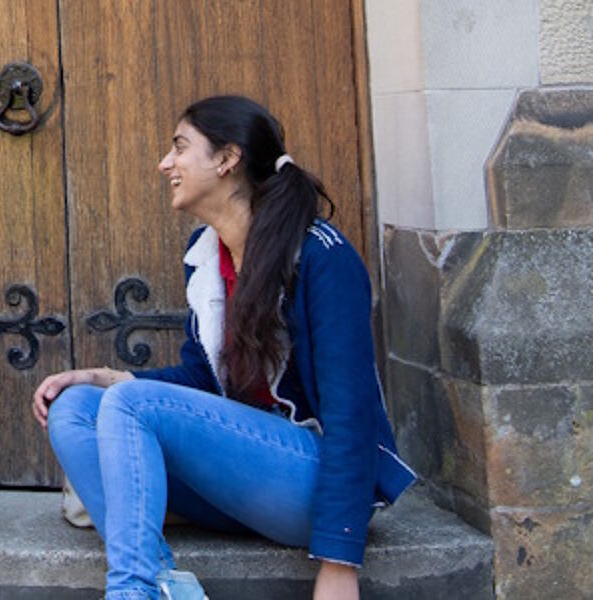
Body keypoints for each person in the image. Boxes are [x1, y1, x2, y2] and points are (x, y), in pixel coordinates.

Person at [31, 96, 416, 600]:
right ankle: (162, 583)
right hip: (240, 482)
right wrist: (100, 378)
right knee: (74, 409)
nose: (165, 163)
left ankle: (131, 592)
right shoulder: (207, 256)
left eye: (180, 147)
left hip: (312, 481)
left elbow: (351, 414)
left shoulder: (321, 256)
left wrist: (339, 562)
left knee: (129, 405)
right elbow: (202, 381)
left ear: (227, 159)